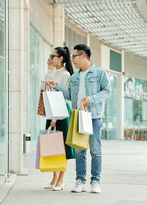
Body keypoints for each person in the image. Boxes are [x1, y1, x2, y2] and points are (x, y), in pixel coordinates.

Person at [44, 44, 111, 194]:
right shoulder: (74, 77)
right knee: (80, 151)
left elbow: (107, 91)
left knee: (95, 150)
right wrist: (57, 86)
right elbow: (69, 95)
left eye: (74, 57)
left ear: (83, 56)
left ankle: (95, 181)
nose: (72, 60)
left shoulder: (99, 73)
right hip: (77, 116)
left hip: (93, 117)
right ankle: (80, 181)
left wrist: (91, 99)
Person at [40, 46, 76, 191]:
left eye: (52, 56)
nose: (50, 58)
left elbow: (64, 97)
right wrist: (48, 70)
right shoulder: (53, 72)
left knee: (62, 146)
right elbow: (43, 89)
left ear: (60, 58)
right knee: (52, 144)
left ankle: (61, 179)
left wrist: (55, 118)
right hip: (51, 110)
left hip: (61, 112)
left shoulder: (66, 74)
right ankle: (54, 177)